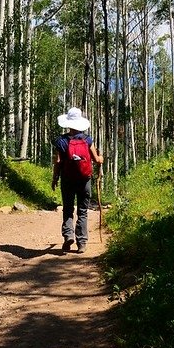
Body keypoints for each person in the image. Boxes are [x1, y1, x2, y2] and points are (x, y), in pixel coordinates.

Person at [51, 107, 103, 254]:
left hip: (67, 179)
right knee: (83, 211)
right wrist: (101, 159)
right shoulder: (87, 140)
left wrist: (55, 178)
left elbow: (58, 162)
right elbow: (96, 160)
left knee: (68, 209)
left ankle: (68, 235)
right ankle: (82, 243)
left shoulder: (61, 141)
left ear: (68, 123)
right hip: (84, 180)